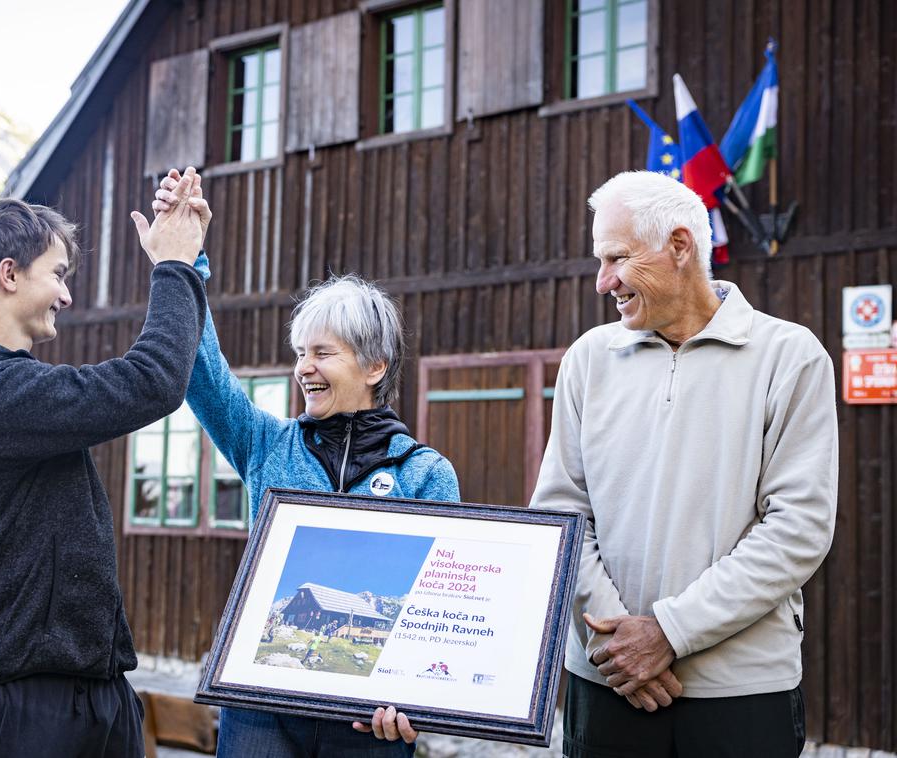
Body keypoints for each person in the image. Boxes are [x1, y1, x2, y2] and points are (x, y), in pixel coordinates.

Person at [151, 168, 460, 757]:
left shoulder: (426, 474)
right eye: (300, 354)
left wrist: (415, 701)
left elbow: (436, 609)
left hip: (371, 722)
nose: (304, 368)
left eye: (323, 353)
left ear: (374, 366)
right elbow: (201, 370)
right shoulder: (265, 445)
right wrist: (185, 263)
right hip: (261, 708)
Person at [530, 170, 837, 757]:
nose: (602, 282)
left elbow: (798, 528)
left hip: (743, 694)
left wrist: (669, 632)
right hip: (607, 683)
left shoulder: (791, 357)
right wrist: (619, 644)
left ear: (678, 246)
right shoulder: (588, 360)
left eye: (617, 257)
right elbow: (561, 513)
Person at [0, 169, 210, 757]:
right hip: (22, 706)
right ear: (9, 275)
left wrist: (184, 258)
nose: (67, 296)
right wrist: (173, 266)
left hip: (85, 692)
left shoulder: (3, 391)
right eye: (58, 275)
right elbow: (152, 381)